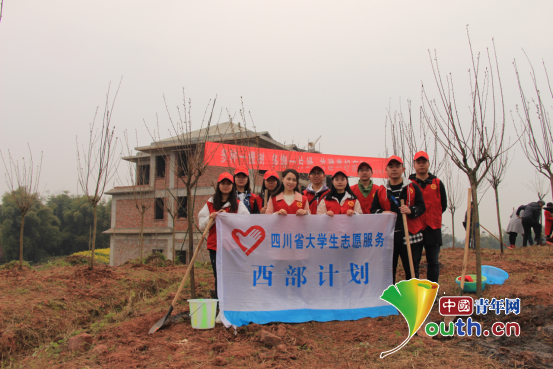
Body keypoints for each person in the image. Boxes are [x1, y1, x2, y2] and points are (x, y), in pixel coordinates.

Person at [371, 155, 426, 284]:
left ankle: (411, 298)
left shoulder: (412, 187)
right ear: (386, 170)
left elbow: (422, 207)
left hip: (411, 235)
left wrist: (411, 210)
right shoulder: (381, 190)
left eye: (397, 166)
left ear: (403, 169)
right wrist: (383, 212)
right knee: (389, 269)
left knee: (411, 270)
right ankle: (391, 298)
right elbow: (373, 210)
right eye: (391, 167)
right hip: (389, 237)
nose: (394, 169)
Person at [198, 172, 249, 301]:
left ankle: (234, 303)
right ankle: (221, 305)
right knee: (219, 277)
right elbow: (201, 225)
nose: (226, 186)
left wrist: (230, 218)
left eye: (228, 183)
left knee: (232, 276)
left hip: (232, 247)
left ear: (232, 185)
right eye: (223, 183)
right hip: (215, 246)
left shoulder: (238, 204)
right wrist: (211, 218)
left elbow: (246, 221)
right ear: (218, 185)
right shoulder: (210, 203)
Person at [408, 151, 447, 283]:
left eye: (424, 162)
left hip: (433, 227)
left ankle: (432, 292)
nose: (421, 165)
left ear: (428, 164)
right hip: (414, 228)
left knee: (433, 262)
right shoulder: (408, 184)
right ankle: (414, 292)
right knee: (414, 262)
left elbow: (444, 205)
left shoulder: (437, 183)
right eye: (418, 162)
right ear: (414, 165)